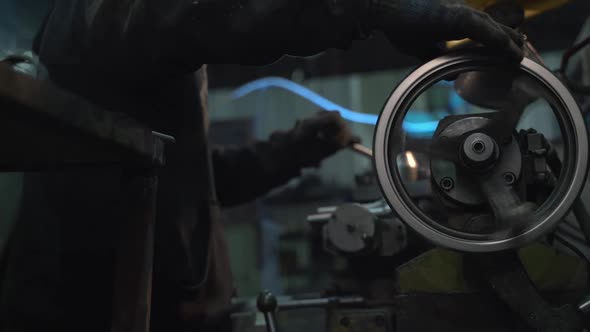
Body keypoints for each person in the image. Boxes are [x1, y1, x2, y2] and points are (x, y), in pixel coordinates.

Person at [0, 1, 523, 332]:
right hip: (86, 310)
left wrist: (305, 143)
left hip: (152, 305)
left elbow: (206, 183)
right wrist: (368, 9)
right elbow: (208, 11)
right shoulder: (99, 16)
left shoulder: (130, 53)